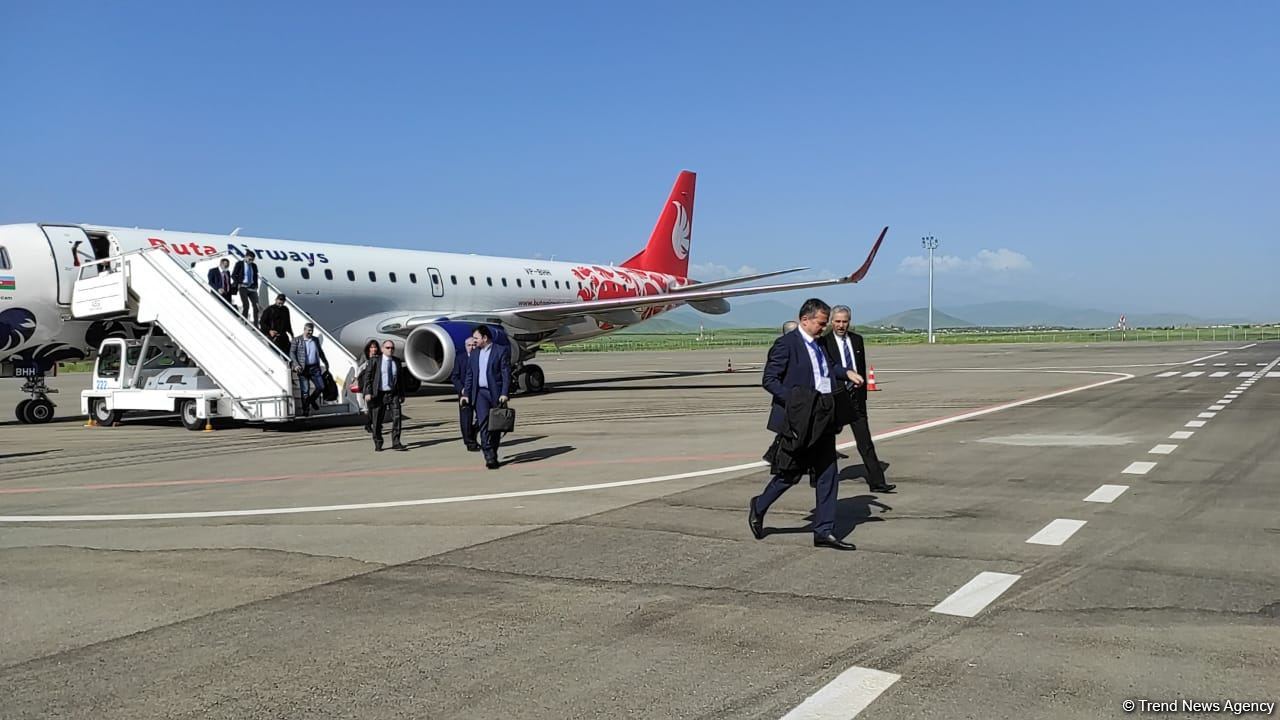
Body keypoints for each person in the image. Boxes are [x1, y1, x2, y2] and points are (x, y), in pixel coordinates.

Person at [748, 298, 864, 551]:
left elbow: (828, 367)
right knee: (789, 474)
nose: (824, 328)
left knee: (828, 474)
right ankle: (759, 505)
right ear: (805, 319)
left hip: (823, 415)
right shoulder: (786, 345)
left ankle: (823, 530)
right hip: (799, 419)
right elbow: (769, 379)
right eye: (821, 324)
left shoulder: (820, 343)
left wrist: (846, 373)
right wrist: (795, 402)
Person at [823, 305, 895, 493]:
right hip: (835, 398)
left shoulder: (857, 340)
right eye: (837, 321)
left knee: (865, 440)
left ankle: (877, 481)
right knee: (825, 440)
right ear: (831, 321)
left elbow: (860, 366)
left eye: (844, 321)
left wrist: (861, 388)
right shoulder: (824, 342)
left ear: (849, 322)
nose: (840, 325)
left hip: (856, 398)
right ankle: (819, 478)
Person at [462, 325, 511, 470]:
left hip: (495, 394)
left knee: (495, 426)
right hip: (480, 394)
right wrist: (466, 395)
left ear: (485, 338)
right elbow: (469, 376)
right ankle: (489, 455)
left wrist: (504, 393)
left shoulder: (501, 351)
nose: (474, 341)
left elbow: (506, 375)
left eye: (476, 338)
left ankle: (493, 450)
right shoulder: (475, 354)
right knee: (483, 423)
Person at [361, 339, 407, 451]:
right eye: (387, 348)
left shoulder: (396, 361)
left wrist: (402, 394)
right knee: (377, 420)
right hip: (379, 393)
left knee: (397, 418)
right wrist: (368, 392)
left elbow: (400, 379)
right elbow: (368, 377)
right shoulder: (375, 361)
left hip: (393, 393)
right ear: (382, 349)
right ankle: (378, 441)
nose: (390, 350)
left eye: (392, 348)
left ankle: (396, 442)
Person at [289, 323, 328, 416]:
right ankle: (305, 410)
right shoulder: (297, 340)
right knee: (305, 390)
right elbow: (292, 353)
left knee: (321, 387)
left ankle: (311, 400)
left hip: (315, 367)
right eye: (309, 330)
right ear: (304, 329)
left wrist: (325, 362)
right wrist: (296, 364)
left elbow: (320, 352)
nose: (310, 332)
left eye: (312, 330)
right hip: (303, 368)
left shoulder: (315, 340)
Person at [451, 337, 480, 451]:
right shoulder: (460, 358)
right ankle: (469, 442)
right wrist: (461, 389)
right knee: (466, 418)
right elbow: (454, 376)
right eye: (469, 345)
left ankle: (473, 432)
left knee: (483, 416)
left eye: (474, 345)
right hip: (465, 393)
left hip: (479, 392)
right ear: (465, 346)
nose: (472, 347)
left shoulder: (480, 357)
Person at [355, 339, 379, 433]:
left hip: (376, 385)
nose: (374, 349)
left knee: (375, 406)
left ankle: (372, 424)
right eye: (372, 347)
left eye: (375, 347)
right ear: (369, 349)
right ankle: (369, 424)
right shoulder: (365, 357)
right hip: (367, 385)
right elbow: (360, 370)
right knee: (369, 406)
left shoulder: (379, 357)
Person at [231, 251, 261, 324]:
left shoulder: (254, 266)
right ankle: (244, 320)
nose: (251, 261)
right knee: (246, 305)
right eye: (250, 259)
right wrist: (238, 283)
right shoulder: (239, 264)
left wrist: (256, 285)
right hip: (243, 286)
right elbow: (233, 275)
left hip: (252, 288)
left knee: (256, 306)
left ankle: (256, 324)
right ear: (245, 257)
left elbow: (255, 276)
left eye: (252, 260)